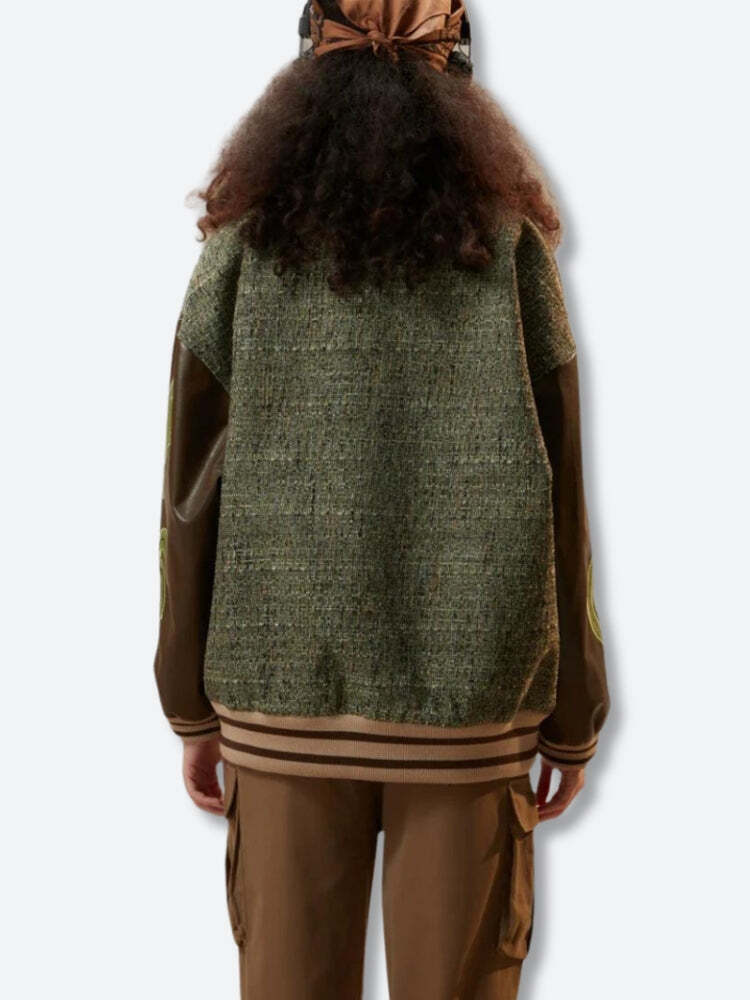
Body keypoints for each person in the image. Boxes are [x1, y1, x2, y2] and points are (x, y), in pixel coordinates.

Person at [153, 2, 610, 997]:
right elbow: (564, 495)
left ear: (304, 78)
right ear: (458, 80)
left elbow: (189, 491)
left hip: (278, 697)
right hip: (473, 708)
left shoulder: (242, 249)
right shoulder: (511, 249)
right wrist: (574, 711)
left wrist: (187, 697)